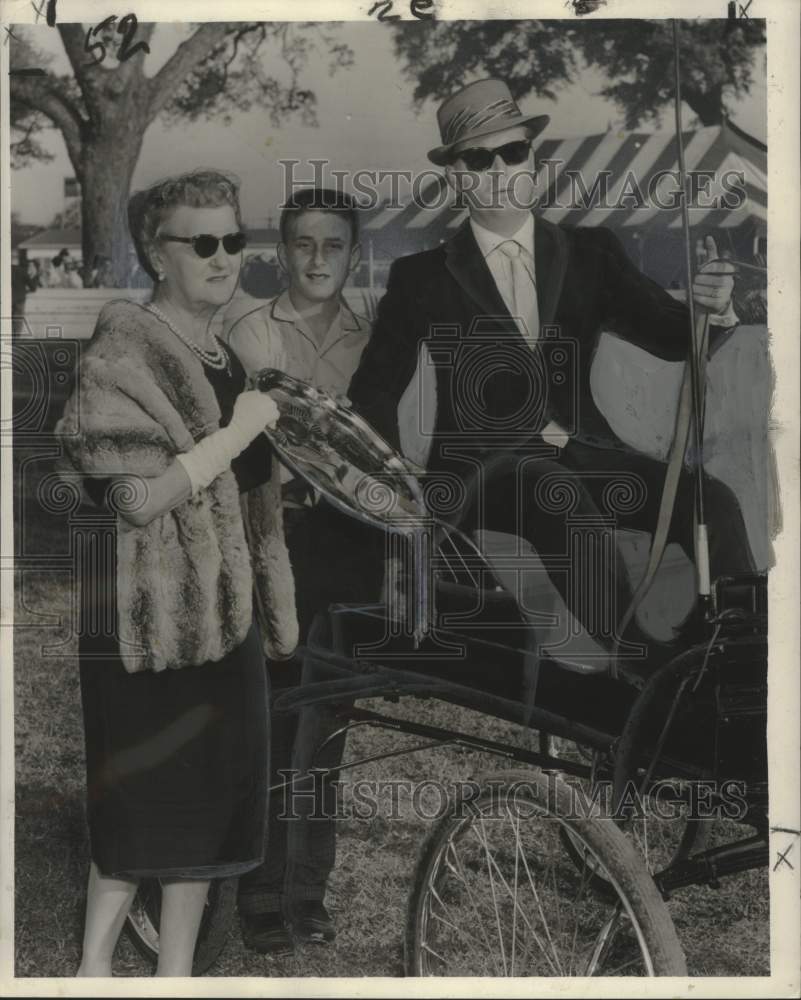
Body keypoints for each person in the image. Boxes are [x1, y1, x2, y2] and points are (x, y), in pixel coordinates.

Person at [348, 78, 757, 670]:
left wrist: (712, 308)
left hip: (588, 454)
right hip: (481, 479)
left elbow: (670, 334)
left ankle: (732, 660)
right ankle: (645, 672)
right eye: (478, 158)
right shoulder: (421, 276)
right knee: (558, 496)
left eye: (514, 152)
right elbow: (375, 389)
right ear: (457, 175)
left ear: (533, 162)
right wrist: (395, 497)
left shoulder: (592, 252)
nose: (500, 170)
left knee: (711, 499)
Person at [55, 169, 298, 977]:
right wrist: (236, 434)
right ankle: (89, 974)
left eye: (234, 240)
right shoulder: (119, 352)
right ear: (158, 257)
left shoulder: (228, 355)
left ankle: (174, 979)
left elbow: (258, 499)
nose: (224, 258)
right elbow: (133, 497)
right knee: (136, 817)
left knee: (202, 824)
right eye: (202, 243)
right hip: (141, 618)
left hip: (226, 619)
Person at [223, 188, 376, 954]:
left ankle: (306, 894)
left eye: (334, 245)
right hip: (268, 536)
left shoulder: (373, 337)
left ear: (355, 253)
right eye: (303, 244)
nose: (318, 259)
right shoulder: (249, 332)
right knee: (268, 713)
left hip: (346, 546)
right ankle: (256, 891)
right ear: (278, 252)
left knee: (325, 723)